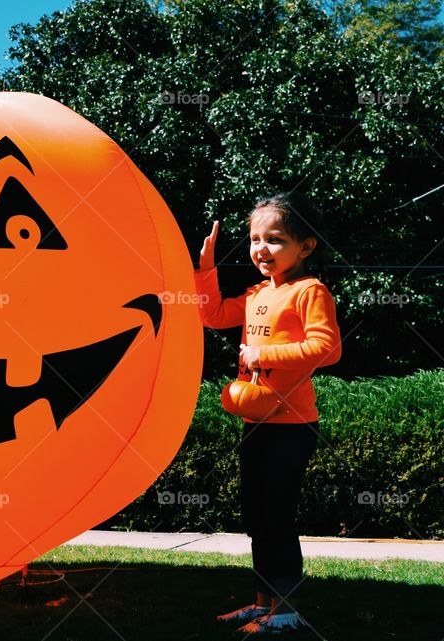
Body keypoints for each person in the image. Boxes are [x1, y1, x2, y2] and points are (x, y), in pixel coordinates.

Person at [194, 192, 342, 634]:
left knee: (276, 515)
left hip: (292, 428)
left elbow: (328, 348)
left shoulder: (309, 291)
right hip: (256, 421)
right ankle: (263, 603)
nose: (261, 248)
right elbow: (213, 314)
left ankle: (288, 611)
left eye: (274, 239)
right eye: (255, 239)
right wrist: (205, 269)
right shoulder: (259, 293)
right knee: (257, 515)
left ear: (306, 247)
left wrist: (263, 352)